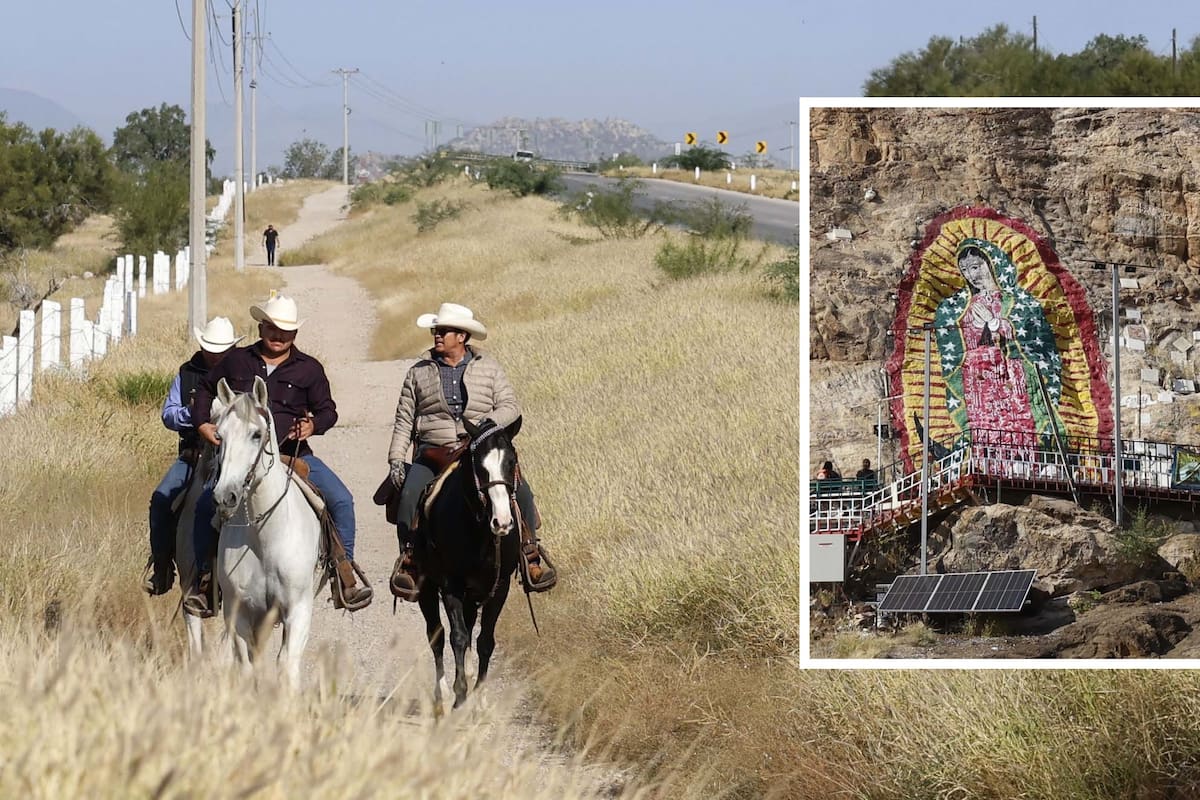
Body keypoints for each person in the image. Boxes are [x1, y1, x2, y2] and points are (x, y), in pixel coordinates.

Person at [191, 294, 371, 611]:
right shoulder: (237, 361)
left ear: (295, 335)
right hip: (243, 457)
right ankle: (205, 581)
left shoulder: (309, 369)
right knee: (207, 502)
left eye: (286, 331)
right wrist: (203, 424)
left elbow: (328, 410)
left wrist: (313, 426)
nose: (278, 336)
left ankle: (344, 575)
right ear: (261, 328)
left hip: (292, 452)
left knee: (341, 500)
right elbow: (206, 388)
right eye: (273, 328)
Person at [386, 302, 556, 600]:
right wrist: (396, 459)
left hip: (476, 448)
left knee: (520, 489)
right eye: (435, 331)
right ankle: (410, 560)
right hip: (433, 452)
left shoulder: (489, 368)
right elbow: (404, 419)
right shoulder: (418, 372)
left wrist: (486, 426)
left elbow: (510, 406)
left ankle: (530, 552)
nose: (436, 335)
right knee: (410, 494)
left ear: (462, 336)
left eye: (443, 331)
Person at [935, 239, 1067, 462]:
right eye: (965, 270)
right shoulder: (963, 306)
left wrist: (995, 323)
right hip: (978, 379)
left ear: (991, 263)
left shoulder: (1017, 301)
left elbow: (1030, 336)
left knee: (1018, 421)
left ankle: (1025, 462)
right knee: (983, 424)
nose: (972, 275)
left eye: (976, 267)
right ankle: (986, 461)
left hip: (1011, 374)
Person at [143, 317, 242, 595]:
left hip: (233, 456)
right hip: (193, 455)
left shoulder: (242, 371)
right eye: (211, 347)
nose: (216, 353)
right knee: (161, 500)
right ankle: (162, 568)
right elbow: (168, 414)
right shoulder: (187, 373)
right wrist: (193, 415)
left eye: (221, 349)